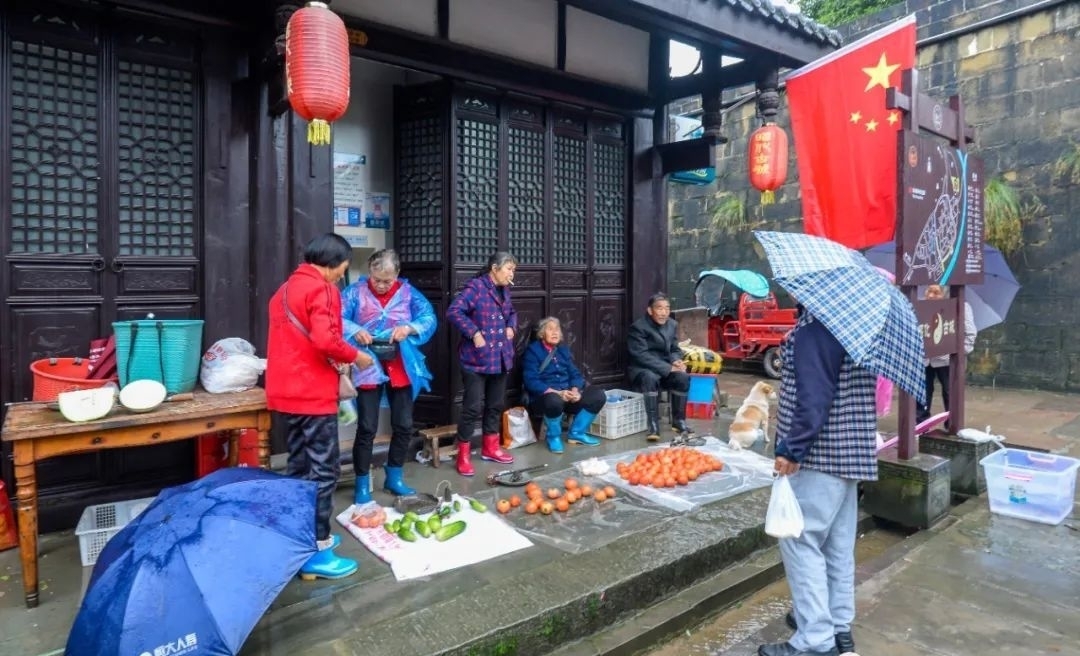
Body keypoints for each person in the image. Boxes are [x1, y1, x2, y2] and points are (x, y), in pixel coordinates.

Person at [758, 307, 876, 656]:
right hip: (853, 450)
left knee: (800, 539)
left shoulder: (815, 329)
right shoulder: (855, 322)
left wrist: (792, 450)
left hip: (821, 453)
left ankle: (815, 640)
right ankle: (838, 627)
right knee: (837, 546)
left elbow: (814, 396)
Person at [266, 233, 375, 581]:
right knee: (323, 471)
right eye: (343, 268)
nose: (342, 275)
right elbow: (325, 340)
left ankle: (300, 541)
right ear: (333, 263)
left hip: (285, 393)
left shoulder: (283, 290)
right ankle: (317, 547)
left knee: (298, 467)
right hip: (312, 394)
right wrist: (356, 356)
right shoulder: (322, 289)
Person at [341, 249, 436, 503]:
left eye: (388, 280)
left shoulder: (408, 293)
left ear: (397, 275)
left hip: (399, 364)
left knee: (404, 424)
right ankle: (362, 483)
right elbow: (336, 319)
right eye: (377, 280)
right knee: (367, 427)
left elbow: (428, 317)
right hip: (367, 365)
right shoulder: (353, 293)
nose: (382, 285)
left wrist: (409, 327)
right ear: (369, 273)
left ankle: (394, 477)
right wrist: (355, 329)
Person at [446, 251, 518, 476]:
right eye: (509, 269)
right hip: (476, 360)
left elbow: (512, 313)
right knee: (472, 407)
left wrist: (511, 327)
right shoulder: (476, 288)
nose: (511, 274)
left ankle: (490, 447)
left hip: (500, 357)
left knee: (495, 404)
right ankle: (463, 455)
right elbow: (454, 311)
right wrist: (474, 332)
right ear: (495, 269)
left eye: (513, 270)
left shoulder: (505, 289)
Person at [521, 317, 605, 453]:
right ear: (542, 334)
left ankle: (577, 433)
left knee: (598, 395)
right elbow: (530, 380)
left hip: (567, 396)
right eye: (550, 329)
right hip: (545, 399)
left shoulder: (562, 350)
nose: (555, 332)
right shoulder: (533, 351)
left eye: (557, 329)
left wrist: (575, 390)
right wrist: (557, 392)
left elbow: (575, 374)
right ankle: (553, 437)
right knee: (554, 401)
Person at [627, 293, 693, 441]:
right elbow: (640, 355)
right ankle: (653, 425)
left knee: (682, 377)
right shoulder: (638, 328)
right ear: (650, 311)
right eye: (659, 308)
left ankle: (679, 421)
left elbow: (675, 349)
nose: (664, 312)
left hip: (664, 368)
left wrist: (676, 361)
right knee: (649, 378)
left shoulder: (672, 325)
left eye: (667, 308)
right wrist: (668, 368)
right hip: (643, 369)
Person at [917, 284, 977, 423]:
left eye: (936, 292)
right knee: (921, 393)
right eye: (929, 291)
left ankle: (952, 423)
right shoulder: (920, 306)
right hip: (924, 358)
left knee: (951, 392)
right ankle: (920, 424)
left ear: (945, 294)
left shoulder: (960, 306)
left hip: (947, 358)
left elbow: (970, 333)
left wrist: (959, 353)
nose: (931, 295)